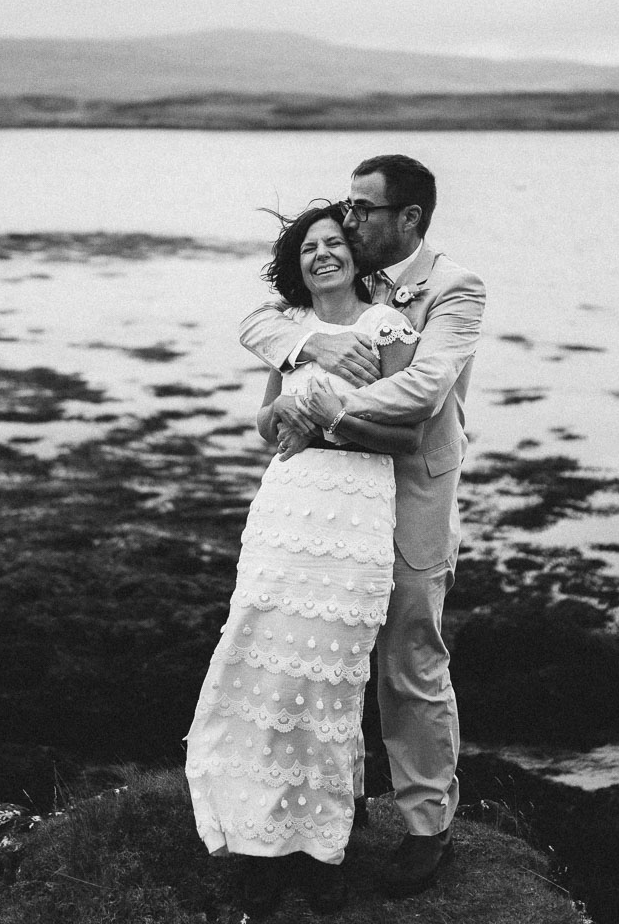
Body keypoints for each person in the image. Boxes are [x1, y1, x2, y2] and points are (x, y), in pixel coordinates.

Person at [239, 154, 485, 900]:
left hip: (411, 492)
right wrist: (308, 346)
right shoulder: (350, 271)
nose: (348, 222)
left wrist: (322, 415)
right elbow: (259, 319)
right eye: (346, 208)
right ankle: (326, 808)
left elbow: (425, 387)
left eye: (363, 209)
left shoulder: (455, 289)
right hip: (335, 501)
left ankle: (425, 823)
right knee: (323, 645)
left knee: (410, 650)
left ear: (408, 218)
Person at [185, 202, 430, 916]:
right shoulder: (292, 335)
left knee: (331, 677)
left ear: (355, 257)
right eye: (310, 248)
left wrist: (328, 418)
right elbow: (265, 423)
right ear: (298, 265)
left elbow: (408, 437)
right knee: (261, 660)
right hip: (288, 507)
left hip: (354, 510)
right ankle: (257, 839)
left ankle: (322, 843)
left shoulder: (388, 328)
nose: (323, 254)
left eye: (334, 244)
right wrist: (285, 413)